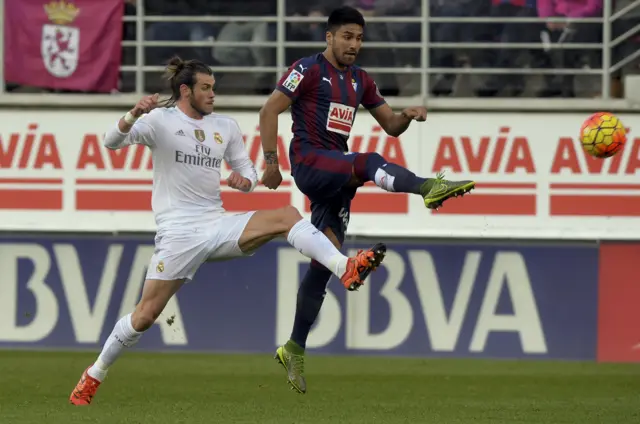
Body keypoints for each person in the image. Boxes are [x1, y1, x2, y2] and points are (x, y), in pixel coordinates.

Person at [69, 56, 386, 406]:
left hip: (217, 223)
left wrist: (245, 181)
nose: (212, 95)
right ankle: (95, 373)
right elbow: (111, 141)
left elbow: (247, 171)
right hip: (178, 233)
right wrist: (132, 114)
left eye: (214, 88)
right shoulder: (159, 120)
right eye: (206, 88)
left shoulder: (226, 126)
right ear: (185, 91)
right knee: (145, 315)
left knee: (286, 214)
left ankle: (344, 267)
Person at [259, 6, 476, 394]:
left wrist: (407, 115)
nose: (354, 44)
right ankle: (428, 188)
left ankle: (293, 347)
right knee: (367, 161)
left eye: (359, 38)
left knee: (325, 261)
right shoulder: (306, 70)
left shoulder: (361, 81)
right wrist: (272, 162)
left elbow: (390, 125)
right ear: (329, 37)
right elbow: (269, 108)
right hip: (310, 162)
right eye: (347, 36)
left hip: (337, 179)